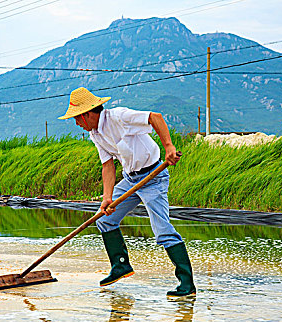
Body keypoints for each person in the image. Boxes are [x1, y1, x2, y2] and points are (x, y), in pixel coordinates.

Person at [59, 87, 196, 297]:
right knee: (104, 219)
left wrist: (168, 147)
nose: (77, 124)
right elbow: (107, 166)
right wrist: (107, 198)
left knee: (162, 229)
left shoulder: (119, 117)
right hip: (131, 179)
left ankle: (186, 284)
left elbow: (155, 117)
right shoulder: (96, 134)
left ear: (87, 114)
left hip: (153, 177)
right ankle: (121, 265)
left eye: (77, 119)